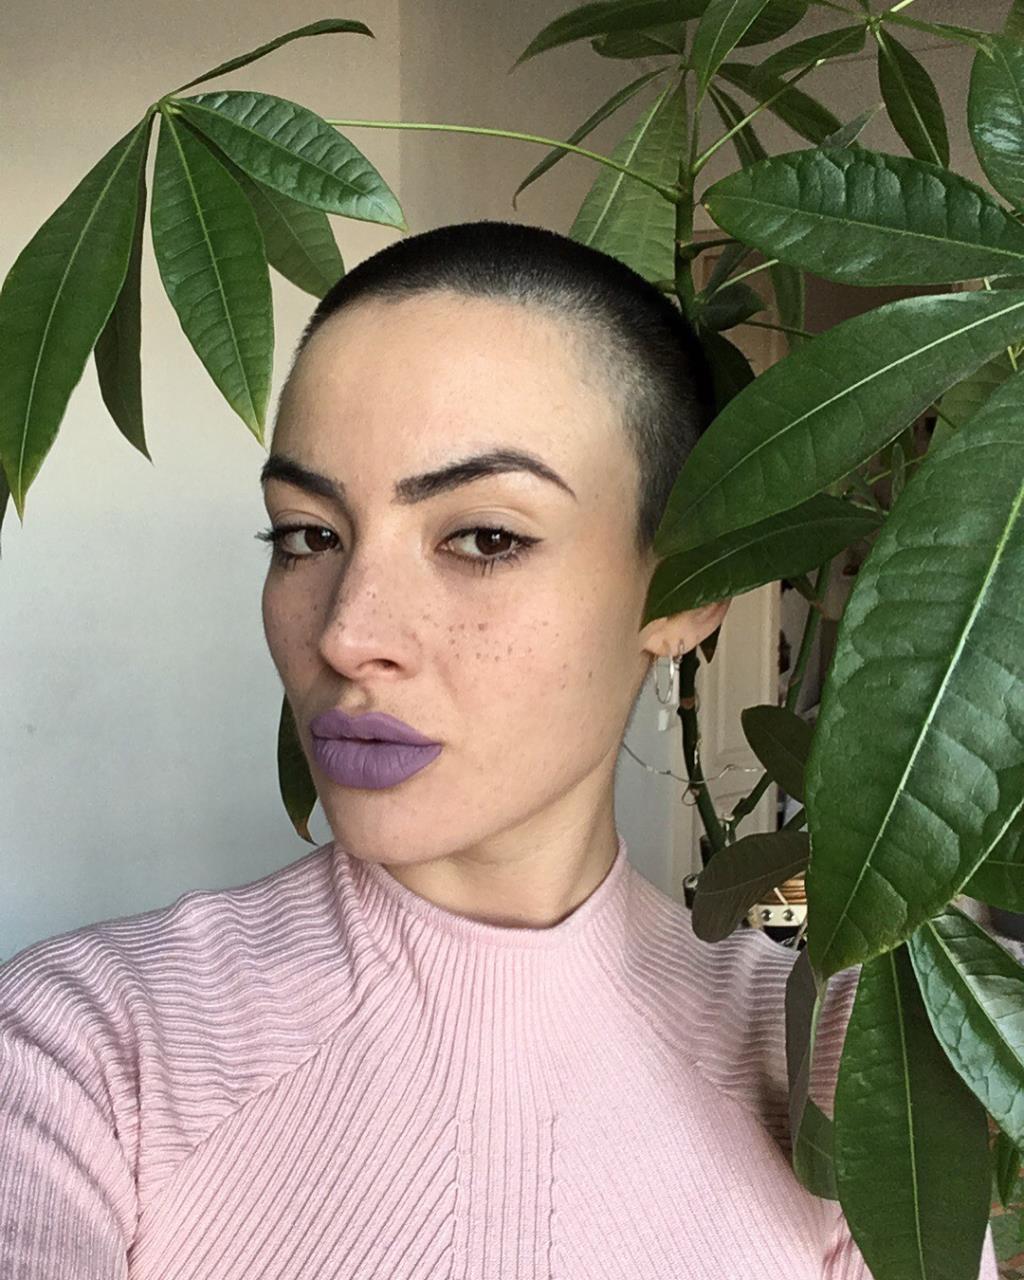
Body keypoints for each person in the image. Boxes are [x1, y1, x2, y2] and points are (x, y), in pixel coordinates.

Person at [0, 220, 998, 1278]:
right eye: (307, 534)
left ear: (689, 588)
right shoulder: (85, 1049)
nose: (346, 633)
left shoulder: (832, 1071)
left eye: (485, 537)